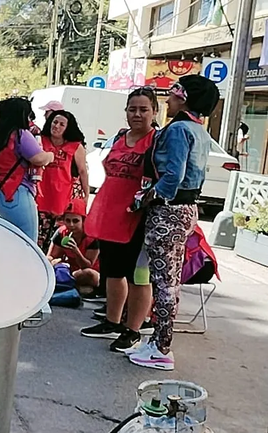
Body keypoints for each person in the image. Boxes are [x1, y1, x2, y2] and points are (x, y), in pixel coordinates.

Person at [127, 75, 220, 371]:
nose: (168, 99)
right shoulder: (198, 129)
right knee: (169, 279)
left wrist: (146, 199)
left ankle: (161, 347)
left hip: (169, 210)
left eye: (173, 93)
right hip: (187, 209)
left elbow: (172, 176)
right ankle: (158, 340)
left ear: (184, 97)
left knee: (164, 282)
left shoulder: (179, 129)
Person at [80, 88, 157, 351]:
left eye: (143, 109)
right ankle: (112, 321)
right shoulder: (119, 138)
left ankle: (133, 329)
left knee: (138, 276)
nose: (137, 114)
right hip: (109, 214)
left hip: (138, 217)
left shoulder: (157, 141)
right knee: (112, 271)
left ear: (155, 112)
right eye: (132, 109)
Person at [0, 97, 54, 241]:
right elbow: (38, 158)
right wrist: (50, 155)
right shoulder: (20, 135)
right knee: (28, 245)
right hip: (15, 195)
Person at [37, 110, 88, 251]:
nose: (57, 126)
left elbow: (83, 171)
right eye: (55, 122)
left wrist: (86, 196)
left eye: (61, 124)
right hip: (41, 198)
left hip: (64, 200)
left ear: (67, 128)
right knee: (38, 239)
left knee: (57, 243)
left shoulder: (76, 146)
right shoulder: (40, 141)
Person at [47, 198, 100, 288]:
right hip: (68, 270)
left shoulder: (92, 237)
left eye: (75, 221)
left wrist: (76, 251)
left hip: (89, 272)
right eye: (67, 220)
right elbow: (52, 256)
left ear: (83, 220)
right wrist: (50, 261)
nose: (71, 225)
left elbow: (87, 266)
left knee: (89, 274)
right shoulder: (61, 233)